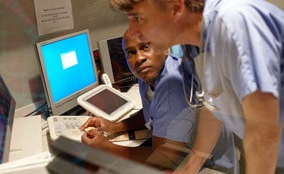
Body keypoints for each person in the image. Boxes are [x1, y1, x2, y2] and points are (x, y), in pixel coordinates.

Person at [108, 0, 284, 173]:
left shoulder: (234, 22)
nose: (133, 31)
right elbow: (213, 106)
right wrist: (190, 167)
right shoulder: (193, 47)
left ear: (175, 8)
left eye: (138, 18)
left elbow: (264, 132)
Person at [80, 29, 238, 173]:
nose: (139, 58)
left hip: (210, 167)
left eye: (146, 47)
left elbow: (163, 159)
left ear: (165, 49)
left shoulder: (172, 86)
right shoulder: (149, 73)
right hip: (180, 156)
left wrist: (106, 147)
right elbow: (152, 114)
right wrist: (115, 126)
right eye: (131, 52)